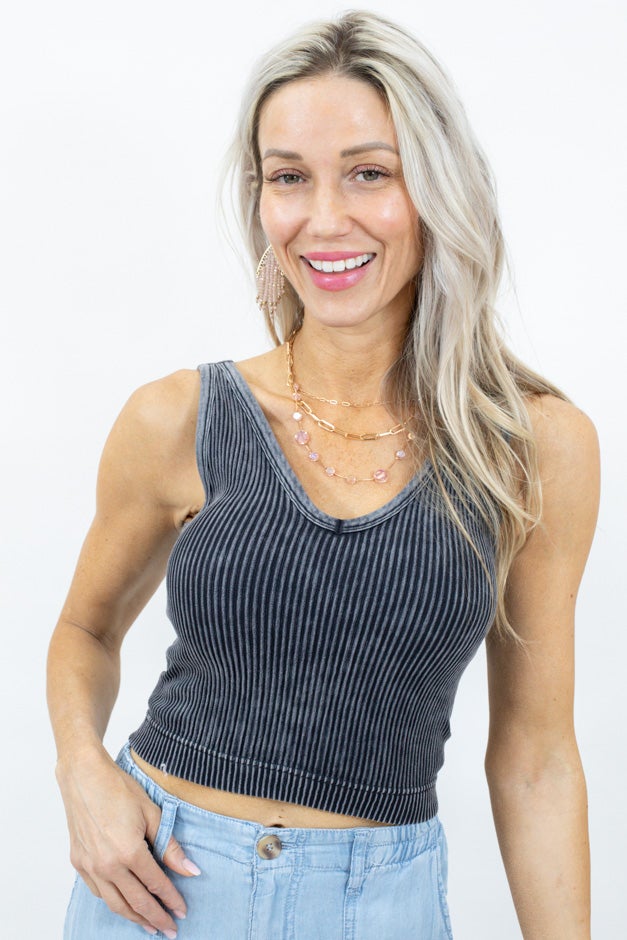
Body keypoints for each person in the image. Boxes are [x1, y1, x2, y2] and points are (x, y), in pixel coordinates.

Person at [48, 10, 599, 940]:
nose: (324, 218)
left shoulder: (532, 445)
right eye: (289, 177)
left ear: (436, 189)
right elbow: (84, 631)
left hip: (379, 907)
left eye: (369, 173)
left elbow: (534, 758)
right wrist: (82, 773)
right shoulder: (177, 417)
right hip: (159, 890)